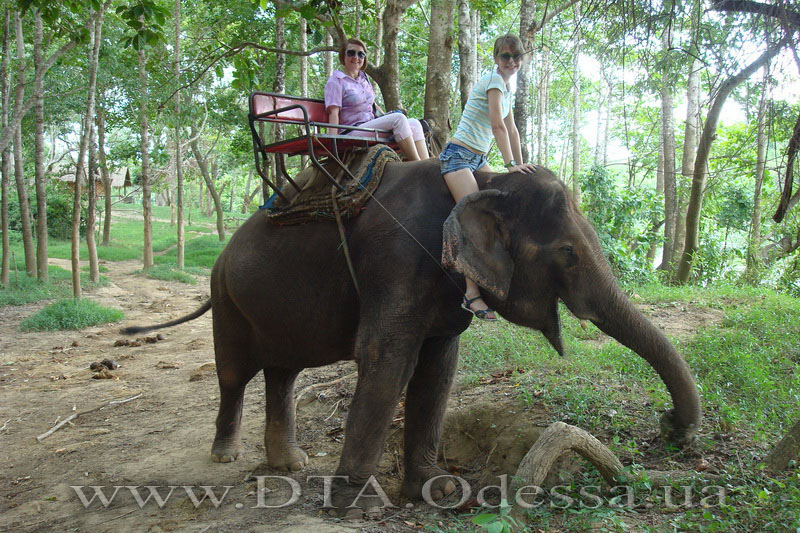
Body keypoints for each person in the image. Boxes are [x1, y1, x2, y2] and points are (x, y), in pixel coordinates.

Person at [440, 34, 537, 321]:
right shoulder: (494, 82)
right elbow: (497, 126)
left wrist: (520, 166)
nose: (512, 61)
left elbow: (513, 130)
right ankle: (471, 294)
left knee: (500, 210)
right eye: (506, 56)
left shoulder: (506, 89)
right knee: (474, 217)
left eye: (517, 56)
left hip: (478, 159)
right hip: (458, 156)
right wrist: (509, 165)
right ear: (496, 58)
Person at [324, 38, 429, 161]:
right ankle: (417, 163)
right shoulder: (336, 81)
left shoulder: (363, 79)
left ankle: (426, 163)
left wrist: (386, 117)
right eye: (351, 53)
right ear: (343, 56)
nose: (356, 57)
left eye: (360, 54)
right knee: (398, 119)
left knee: (415, 124)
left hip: (370, 126)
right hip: (352, 130)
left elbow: (372, 105)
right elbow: (333, 112)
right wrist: (332, 143)